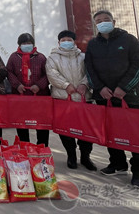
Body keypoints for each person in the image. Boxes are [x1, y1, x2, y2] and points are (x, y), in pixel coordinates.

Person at [85, 10, 139, 188]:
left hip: (129, 97)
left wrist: (124, 88)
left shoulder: (128, 40)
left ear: (114, 21)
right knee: (111, 132)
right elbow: (89, 69)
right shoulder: (93, 45)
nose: (103, 22)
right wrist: (99, 88)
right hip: (104, 97)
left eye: (106, 20)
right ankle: (118, 163)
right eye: (99, 21)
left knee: (135, 135)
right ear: (95, 25)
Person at [46, 30, 97, 171]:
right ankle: (71, 156)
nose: (66, 42)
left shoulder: (83, 57)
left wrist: (84, 84)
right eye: (63, 40)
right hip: (62, 98)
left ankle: (86, 157)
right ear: (59, 42)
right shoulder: (52, 58)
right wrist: (65, 85)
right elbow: (51, 73)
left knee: (86, 131)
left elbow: (90, 72)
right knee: (66, 131)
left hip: (83, 98)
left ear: (74, 41)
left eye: (69, 39)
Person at [6, 33, 50, 146]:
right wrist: (17, 85)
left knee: (41, 124)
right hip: (20, 95)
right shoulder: (14, 57)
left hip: (39, 96)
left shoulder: (40, 57)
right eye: (24, 43)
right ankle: (25, 147)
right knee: (21, 123)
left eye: (29, 43)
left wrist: (39, 85)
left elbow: (48, 74)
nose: (27, 45)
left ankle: (41, 148)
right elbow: (9, 72)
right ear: (19, 45)